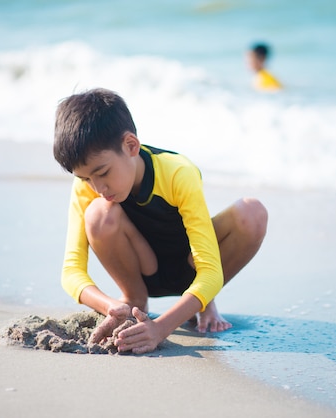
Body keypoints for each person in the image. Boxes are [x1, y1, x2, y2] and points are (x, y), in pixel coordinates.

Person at [53, 88, 268, 354]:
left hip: (193, 267)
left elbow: (211, 271)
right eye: (85, 178)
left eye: (102, 173)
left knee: (252, 212)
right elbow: (71, 272)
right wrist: (111, 307)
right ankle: (134, 301)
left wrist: (160, 328)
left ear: (131, 146)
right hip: (143, 269)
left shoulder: (178, 172)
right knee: (98, 213)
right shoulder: (88, 183)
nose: (96, 187)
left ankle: (203, 302)